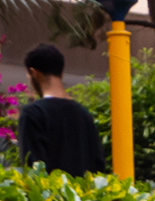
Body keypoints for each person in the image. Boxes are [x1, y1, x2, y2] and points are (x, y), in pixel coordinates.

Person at [15, 44, 108, 175]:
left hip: (52, 194)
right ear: (61, 73)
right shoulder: (84, 114)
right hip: (86, 194)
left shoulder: (33, 114)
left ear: (34, 73)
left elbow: (34, 169)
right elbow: (98, 164)